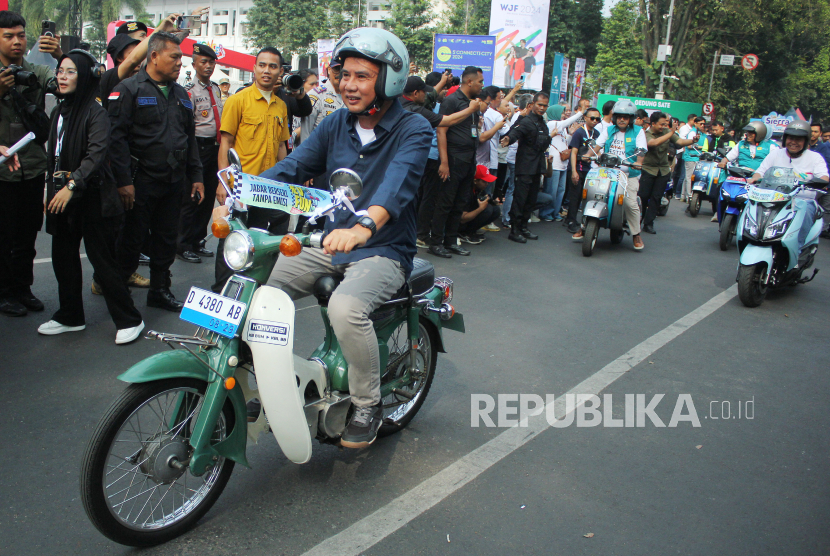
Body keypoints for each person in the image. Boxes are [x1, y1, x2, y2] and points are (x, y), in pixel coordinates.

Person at [259, 27, 432, 449]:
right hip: (329, 242)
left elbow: (397, 187)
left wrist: (362, 228)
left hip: (384, 249)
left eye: (362, 76)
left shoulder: (414, 129)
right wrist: (241, 191)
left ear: (389, 80)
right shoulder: (336, 123)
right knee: (257, 289)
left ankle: (367, 403)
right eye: (345, 74)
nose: (349, 85)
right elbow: (295, 166)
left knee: (346, 307)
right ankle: (263, 378)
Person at [38, 50, 144, 342]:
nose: (62, 76)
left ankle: (129, 320)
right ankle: (70, 316)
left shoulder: (96, 111)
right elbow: (54, 157)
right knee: (63, 257)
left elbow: (95, 155)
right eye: (60, 70)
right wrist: (51, 191)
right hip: (62, 194)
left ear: (84, 76)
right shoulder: (60, 110)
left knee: (102, 260)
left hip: (91, 195)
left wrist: (71, 187)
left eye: (70, 71)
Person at [108, 32, 204, 312]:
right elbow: (116, 141)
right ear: (153, 57)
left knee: (165, 237)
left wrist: (196, 176)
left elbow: (190, 137)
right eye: (174, 57)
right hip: (140, 181)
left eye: (181, 58)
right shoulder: (128, 89)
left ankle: (160, 290)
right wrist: (124, 182)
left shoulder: (181, 95)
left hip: (173, 180)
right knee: (131, 238)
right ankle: (120, 292)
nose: (179, 64)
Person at [212, 46, 293, 292]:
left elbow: (281, 146)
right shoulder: (238, 100)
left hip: (267, 188)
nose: (266, 71)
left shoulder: (281, 105)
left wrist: (286, 181)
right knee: (231, 237)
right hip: (240, 186)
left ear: (280, 71)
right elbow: (226, 142)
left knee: (258, 238)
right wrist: (222, 182)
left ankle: (249, 289)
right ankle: (222, 292)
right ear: (254, 68)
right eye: (262, 65)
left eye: (272, 66)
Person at [0, 11, 55, 317]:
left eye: (21, 35)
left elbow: (60, 83)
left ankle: (23, 288)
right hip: (2, 171)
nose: (17, 42)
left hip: (32, 167)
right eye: (9, 36)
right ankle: (4, 292)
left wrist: (59, 54)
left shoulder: (34, 71)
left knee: (27, 235)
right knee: (3, 236)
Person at [401, 75, 482, 247]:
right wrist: (470, 109)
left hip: (416, 158)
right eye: (424, 92)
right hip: (422, 159)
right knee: (427, 198)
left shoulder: (401, 102)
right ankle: (422, 235)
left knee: (423, 197)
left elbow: (430, 96)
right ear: (415, 93)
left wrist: (442, 81)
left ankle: (430, 235)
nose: (427, 95)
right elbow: (444, 123)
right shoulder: (415, 109)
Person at [429, 66, 484, 258]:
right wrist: (444, 162)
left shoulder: (473, 104)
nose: (482, 86)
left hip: (469, 159)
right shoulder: (452, 100)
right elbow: (441, 130)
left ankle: (451, 241)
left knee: (459, 202)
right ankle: (435, 242)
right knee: (445, 202)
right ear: (469, 81)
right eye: (480, 82)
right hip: (452, 158)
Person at [751, 120, 829, 248]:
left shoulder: (815, 158)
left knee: (807, 209)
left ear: (806, 141)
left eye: (799, 139)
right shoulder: (775, 154)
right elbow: (760, 172)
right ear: (785, 138)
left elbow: (823, 176)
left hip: (803, 200)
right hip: (774, 199)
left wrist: (820, 182)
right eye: (791, 138)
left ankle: (797, 249)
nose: (793, 142)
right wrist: (754, 179)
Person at [178, 43, 224, 264]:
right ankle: (183, 243)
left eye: (211, 62)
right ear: (194, 63)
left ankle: (197, 240)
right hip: (197, 147)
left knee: (207, 201)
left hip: (214, 149)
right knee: (192, 196)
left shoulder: (215, 88)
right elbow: (186, 125)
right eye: (203, 62)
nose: (208, 66)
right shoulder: (189, 90)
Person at [580, 98, 646, 249]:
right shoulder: (609, 130)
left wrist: (639, 162)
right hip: (608, 172)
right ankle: (584, 225)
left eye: (626, 117)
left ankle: (636, 234)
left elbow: (642, 149)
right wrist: (588, 154)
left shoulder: (638, 131)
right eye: (619, 116)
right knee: (590, 192)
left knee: (630, 203)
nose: (622, 119)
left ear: (631, 118)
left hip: (628, 173)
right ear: (615, 117)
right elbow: (598, 145)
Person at [500, 92, 552, 243]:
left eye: (544, 105)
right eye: (539, 105)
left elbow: (543, 143)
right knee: (520, 199)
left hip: (537, 167)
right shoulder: (526, 121)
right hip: (524, 167)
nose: (542, 108)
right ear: (532, 104)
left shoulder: (542, 122)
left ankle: (523, 227)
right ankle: (514, 230)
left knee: (531, 200)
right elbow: (516, 132)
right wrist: (508, 139)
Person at [639, 112, 699, 234]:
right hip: (648, 169)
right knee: (643, 197)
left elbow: (680, 142)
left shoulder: (667, 132)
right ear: (653, 123)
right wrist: (671, 132)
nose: (663, 127)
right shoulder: (646, 134)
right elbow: (653, 143)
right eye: (661, 124)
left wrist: (692, 141)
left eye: (665, 124)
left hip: (663, 170)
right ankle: (638, 220)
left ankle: (648, 223)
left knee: (656, 197)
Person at [540, 103, 582, 222]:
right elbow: (565, 123)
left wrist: (570, 134)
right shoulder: (552, 123)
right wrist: (580, 113)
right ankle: (546, 213)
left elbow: (565, 141)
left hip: (563, 163)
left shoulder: (562, 128)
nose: (564, 115)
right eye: (563, 113)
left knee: (560, 190)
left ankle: (555, 212)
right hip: (554, 163)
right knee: (551, 190)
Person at [565, 107, 602, 234]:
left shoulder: (596, 134)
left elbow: (598, 151)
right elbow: (573, 152)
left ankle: (578, 220)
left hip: (589, 169)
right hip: (578, 168)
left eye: (597, 118)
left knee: (584, 196)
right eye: (592, 118)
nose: (594, 121)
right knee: (575, 196)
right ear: (585, 118)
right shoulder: (579, 133)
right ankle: (570, 221)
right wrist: (574, 171)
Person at [297, 62, 342, 146]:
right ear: (329, 70)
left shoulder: (351, 96)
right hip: (320, 154)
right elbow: (305, 134)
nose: (340, 73)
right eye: (336, 69)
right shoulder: (316, 95)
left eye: (343, 69)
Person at [458, 165, 502, 243]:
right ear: (475, 181)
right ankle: (463, 233)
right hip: (458, 222)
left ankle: (471, 231)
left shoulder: (479, 189)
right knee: (487, 209)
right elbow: (462, 219)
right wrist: (480, 208)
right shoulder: (466, 192)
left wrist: (493, 202)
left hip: (468, 214)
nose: (487, 184)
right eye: (484, 181)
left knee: (495, 209)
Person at [680, 117, 706, 202]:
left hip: (696, 157)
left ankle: (683, 196)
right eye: (700, 123)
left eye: (703, 124)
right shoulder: (692, 133)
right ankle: (689, 197)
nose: (702, 125)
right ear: (695, 123)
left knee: (687, 177)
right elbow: (689, 146)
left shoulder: (700, 133)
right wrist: (701, 147)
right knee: (689, 177)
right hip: (690, 157)